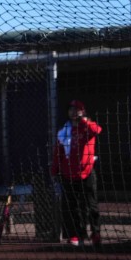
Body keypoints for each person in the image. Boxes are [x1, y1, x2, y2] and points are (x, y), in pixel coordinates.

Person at [51, 99, 102, 248]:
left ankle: (96, 233)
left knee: (91, 205)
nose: (73, 112)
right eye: (71, 110)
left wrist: (84, 120)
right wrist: (55, 170)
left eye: (76, 109)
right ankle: (76, 234)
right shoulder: (64, 131)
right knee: (72, 207)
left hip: (87, 172)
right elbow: (58, 153)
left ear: (82, 111)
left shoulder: (87, 127)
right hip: (69, 174)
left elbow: (97, 130)